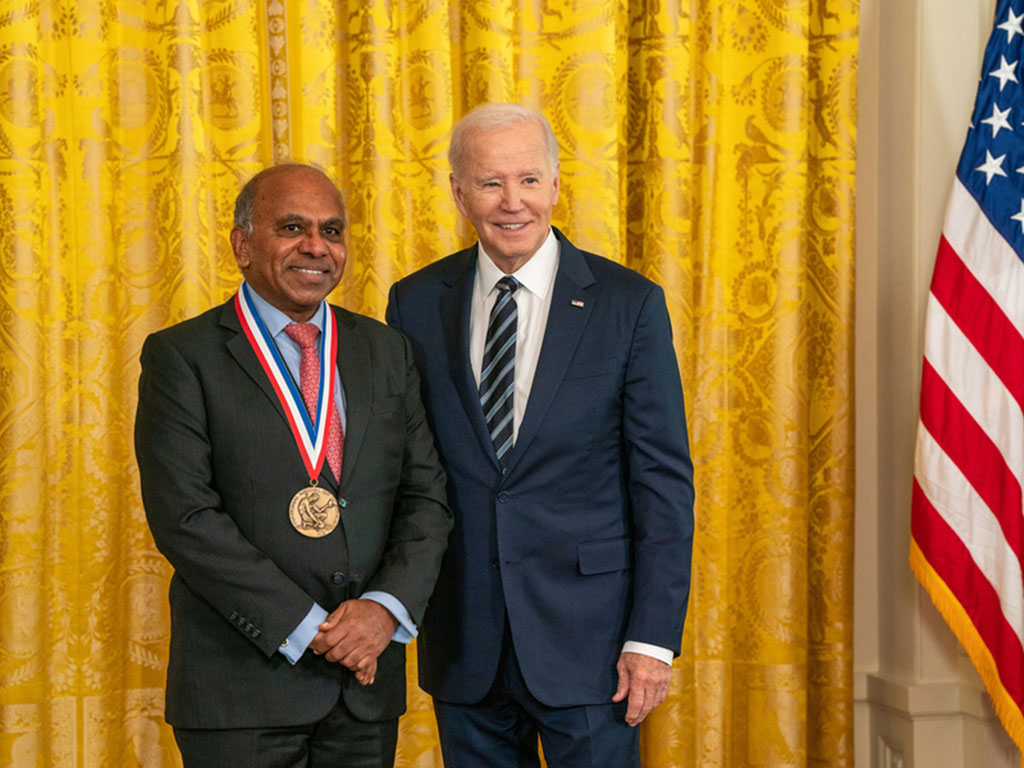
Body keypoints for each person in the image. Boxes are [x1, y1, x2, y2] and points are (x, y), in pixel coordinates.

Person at [386, 103, 695, 767]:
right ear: (458, 191)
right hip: (465, 637)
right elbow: (409, 467)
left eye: (528, 180)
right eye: (491, 183)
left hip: (594, 643)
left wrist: (652, 638)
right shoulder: (414, 302)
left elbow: (663, 483)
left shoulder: (627, 304)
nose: (511, 202)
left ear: (556, 185)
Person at [135, 163, 452, 768]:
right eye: (292, 227)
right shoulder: (183, 357)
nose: (316, 246)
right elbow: (186, 518)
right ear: (242, 244)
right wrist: (311, 629)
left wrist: (383, 611)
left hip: (364, 689)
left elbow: (426, 498)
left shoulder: (386, 351)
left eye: (332, 231)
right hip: (240, 694)